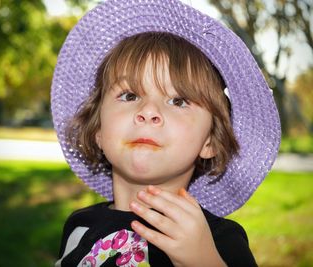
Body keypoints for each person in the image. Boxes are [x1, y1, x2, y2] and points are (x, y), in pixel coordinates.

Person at [51, 0, 281, 266]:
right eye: (129, 95)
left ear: (210, 141)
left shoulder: (218, 241)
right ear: (98, 130)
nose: (148, 111)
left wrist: (203, 260)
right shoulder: (79, 227)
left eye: (178, 101)